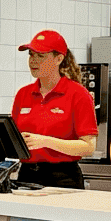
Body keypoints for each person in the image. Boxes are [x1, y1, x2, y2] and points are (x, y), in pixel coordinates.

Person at [12, 30, 98, 189]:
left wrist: (45, 142)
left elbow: (88, 147)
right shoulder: (23, 94)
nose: (33, 61)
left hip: (63, 178)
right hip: (26, 175)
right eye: (31, 55)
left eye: (41, 56)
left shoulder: (78, 95)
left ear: (59, 58)